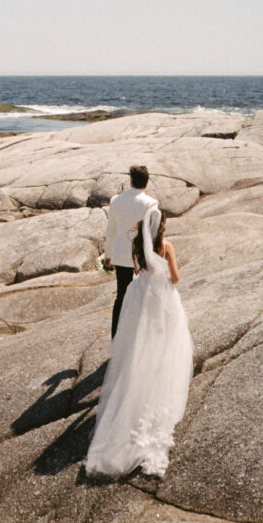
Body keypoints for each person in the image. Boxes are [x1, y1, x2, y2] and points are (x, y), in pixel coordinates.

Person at [85, 205, 194, 479]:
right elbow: (176, 278)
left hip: (139, 294)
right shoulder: (166, 246)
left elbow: (136, 271)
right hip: (160, 296)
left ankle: (135, 387)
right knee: (163, 342)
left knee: (138, 344)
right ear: (161, 227)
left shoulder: (136, 245)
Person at [103, 165, 158, 338]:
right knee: (143, 296)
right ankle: (139, 337)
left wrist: (108, 255)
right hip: (142, 255)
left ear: (131, 180)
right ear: (146, 182)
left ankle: (116, 337)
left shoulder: (116, 200)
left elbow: (110, 230)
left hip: (120, 254)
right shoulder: (150, 203)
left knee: (121, 296)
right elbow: (152, 233)